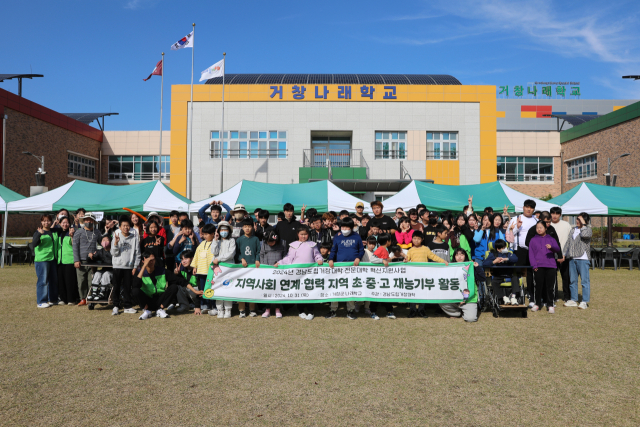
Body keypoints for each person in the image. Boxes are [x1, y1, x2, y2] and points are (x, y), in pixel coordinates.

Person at [277, 225, 323, 320]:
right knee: (300, 292)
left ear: (308, 234)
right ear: (298, 234)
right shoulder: (293, 245)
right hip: (297, 273)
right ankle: (301, 310)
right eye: (301, 234)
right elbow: (289, 258)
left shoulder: (312, 245)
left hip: (310, 273)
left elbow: (317, 255)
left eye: (305, 234)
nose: (303, 236)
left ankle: (311, 311)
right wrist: (280, 262)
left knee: (310, 291)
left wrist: (319, 259)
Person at [326, 217, 364, 320]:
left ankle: (350, 310)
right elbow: (333, 250)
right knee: (336, 287)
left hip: (353, 267)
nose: (344, 229)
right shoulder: (337, 237)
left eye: (347, 227)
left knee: (350, 288)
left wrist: (358, 258)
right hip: (339, 267)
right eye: (343, 226)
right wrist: (330, 259)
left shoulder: (357, 237)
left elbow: (361, 250)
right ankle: (333, 309)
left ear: (351, 228)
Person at [405, 230, 448, 318]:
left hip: (424, 275)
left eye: (418, 239)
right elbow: (407, 259)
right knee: (413, 293)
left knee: (422, 293)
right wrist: (405, 260)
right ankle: (412, 310)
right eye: (414, 238)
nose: (416, 240)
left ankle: (421, 310)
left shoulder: (425, 249)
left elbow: (433, 256)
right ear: (412, 239)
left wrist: (443, 261)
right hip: (413, 276)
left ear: (422, 239)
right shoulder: (410, 250)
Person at [506, 199, 538, 307]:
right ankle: (515, 294)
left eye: (531, 207)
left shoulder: (536, 220)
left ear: (534, 209)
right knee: (517, 272)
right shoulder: (515, 219)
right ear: (523, 207)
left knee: (531, 273)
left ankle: (531, 296)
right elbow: (508, 235)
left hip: (533, 250)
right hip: (519, 249)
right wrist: (517, 227)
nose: (529, 209)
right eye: (527, 207)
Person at [132, 252, 179, 320]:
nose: (151, 262)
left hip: (160, 300)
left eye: (153, 260)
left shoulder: (161, 270)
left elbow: (178, 280)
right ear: (143, 261)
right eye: (149, 260)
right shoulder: (139, 271)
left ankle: (160, 310)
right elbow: (135, 285)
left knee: (174, 287)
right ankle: (147, 311)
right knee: (135, 290)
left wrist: (194, 290)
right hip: (147, 301)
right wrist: (144, 266)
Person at [110, 216, 141, 315]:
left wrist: (135, 266)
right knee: (116, 286)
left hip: (129, 266)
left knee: (128, 287)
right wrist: (115, 243)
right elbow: (113, 253)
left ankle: (127, 306)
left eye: (127, 225)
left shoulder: (134, 238)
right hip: (117, 265)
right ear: (120, 227)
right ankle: (116, 306)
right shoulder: (116, 236)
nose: (126, 228)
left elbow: (138, 253)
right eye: (123, 226)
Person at [528, 221, 561, 313]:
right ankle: (537, 304)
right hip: (538, 266)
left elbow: (557, 249)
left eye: (541, 227)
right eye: (537, 228)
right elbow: (531, 254)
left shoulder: (551, 238)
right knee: (538, 286)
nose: (539, 229)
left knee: (550, 287)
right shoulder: (533, 240)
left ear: (545, 228)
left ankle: (550, 305)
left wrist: (551, 247)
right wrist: (534, 265)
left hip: (551, 265)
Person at [439, 248, 479, 322]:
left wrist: (477, 267)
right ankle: (456, 313)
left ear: (465, 256)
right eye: (457, 255)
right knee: (440, 300)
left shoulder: (471, 267)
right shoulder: (451, 268)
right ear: (454, 257)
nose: (459, 257)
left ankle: (466, 310)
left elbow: (482, 278)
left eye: (462, 254)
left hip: (469, 299)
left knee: (471, 319)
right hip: (454, 297)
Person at [563, 212, 592, 310]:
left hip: (583, 258)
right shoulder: (572, 230)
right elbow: (568, 242)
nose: (577, 221)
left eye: (580, 219)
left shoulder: (588, 230)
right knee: (572, 280)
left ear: (585, 221)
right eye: (577, 219)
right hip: (572, 258)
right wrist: (563, 254)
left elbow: (585, 236)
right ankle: (573, 299)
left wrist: (583, 225)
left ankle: (584, 301)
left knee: (584, 281)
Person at [72, 213, 99, 305]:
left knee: (91, 280)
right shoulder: (78, 232)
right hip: (81, 260)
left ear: (94, 222)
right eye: (87, 220)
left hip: (93, 261)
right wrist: (76, 260)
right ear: (83, 221)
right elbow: (75, 246)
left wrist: (98, 253)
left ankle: (90, 298)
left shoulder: (97, 232)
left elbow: (104, 243)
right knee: (81, 281)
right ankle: (83, 298)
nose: (89, 221)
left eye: (91, 220)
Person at [211, 221, 237, 318]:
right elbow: (214, 251)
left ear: (229, 230)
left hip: (228, 267)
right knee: (218, 288)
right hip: (218, 268)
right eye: (221, 229)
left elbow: (231, 254)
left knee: (227, 287)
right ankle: (220, 309)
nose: (223, 231)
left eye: (225, 229)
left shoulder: (232, 241)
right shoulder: (217, 241)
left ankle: (228, 310)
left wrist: (219, 259)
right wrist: (215, 240)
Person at [483, 239, 520, 305]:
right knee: (494, 282)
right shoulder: (493, 255)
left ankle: (513, 297)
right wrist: (494, 262)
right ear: (498, 249)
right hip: (498, 274)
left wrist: (507, 259)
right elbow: (485, 263)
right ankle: (504, 297)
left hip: (509, 274)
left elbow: (516, 259)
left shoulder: (509, 254)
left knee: (515, 277)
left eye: (505, 247)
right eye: (503, 248)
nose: (505, 249)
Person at [367, 233, 396, 320]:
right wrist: (382, 260)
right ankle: (373, 312)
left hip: (385, 277)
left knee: (387, 294)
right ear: (387, 241)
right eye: (390, 240)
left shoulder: (385, 249)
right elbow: (372, 259)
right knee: (376, 295)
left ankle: (389, 312)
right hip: (378, 277)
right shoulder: (380, 249)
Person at [236, 219, 261, 318]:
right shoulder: (239, 240)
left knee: (252, 287)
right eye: (245, 226)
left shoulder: (256, 239)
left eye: (249, 226)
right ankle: (241, 310)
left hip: (253, 268)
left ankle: (252, 309)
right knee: (242, 288)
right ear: (242, 228)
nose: (247, 228)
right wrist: (241, 259)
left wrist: (257, 259)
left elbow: (258, 251)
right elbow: (236, 253)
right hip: (242, 268)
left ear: (253, 227)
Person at [33, 214, 59, 308]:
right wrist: (39, 234)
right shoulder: (38, 232)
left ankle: (52, 299)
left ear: (51, 222)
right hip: (42, 260)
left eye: (48, 220)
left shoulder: (53, 231)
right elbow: (34, 244)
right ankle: (41, 301)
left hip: (52, 259)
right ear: (41, 222)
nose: (46, 222)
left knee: (53, 280)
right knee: (43, 281)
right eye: (44, 221)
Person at [259, 229, 286, 318]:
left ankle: (278, 309)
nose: (270, 243)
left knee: (278, 289)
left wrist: (281, 263)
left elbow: (285, 256)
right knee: (268, 289)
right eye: (268, 241)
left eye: (272, 241)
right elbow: (262, 254)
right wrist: (264, 266)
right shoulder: (264, 243)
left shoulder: (283, 243)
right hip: (267, 269)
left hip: (279, 269)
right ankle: (268, 309)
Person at [191, 223, 217, 315]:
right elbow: (196, 255)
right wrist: (195, 266)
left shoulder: (216, 243)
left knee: (212, 288)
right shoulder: (202, 243)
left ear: (213, 234)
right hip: (201, 271)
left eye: (206, 234)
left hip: (211, 271)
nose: (204, 236)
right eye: (203, 234)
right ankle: (205, 305)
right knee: (202, 289)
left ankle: (214, 306)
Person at [54, 216, 79, 305]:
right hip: (60, 260)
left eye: (67, 222)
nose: (65, 224)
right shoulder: (58, 233)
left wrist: (72, 236)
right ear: (60, 224)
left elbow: (74, 245)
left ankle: (71, 299)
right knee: (61, 281)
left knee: (70, 281)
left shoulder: (72, 232)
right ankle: (63, 299)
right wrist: (54, 224)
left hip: (70, 260)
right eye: (63, 222)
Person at [550, 207, 572, 302]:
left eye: (557, 213)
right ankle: (554, 296)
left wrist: (565, 254)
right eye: (553, 213)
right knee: (552, 277)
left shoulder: (566, 225)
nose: (554, 215)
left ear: (560, 215)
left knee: (566, 277)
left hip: (564, 255)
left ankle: (567, 296)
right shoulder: (547, 225)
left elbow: (571, 239)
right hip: (551, 256)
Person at [86, 235, 113, 303]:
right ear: (100, 242)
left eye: (107, 240)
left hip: (112, 271)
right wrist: (90, 256)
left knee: (106, 274)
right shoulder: (100, 251)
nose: (105, 242)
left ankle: (102, 292)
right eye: (103, 240)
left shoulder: (114, 251)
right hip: (103, 270)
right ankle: (94, 292)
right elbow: (92, 258)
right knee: (97, 273)